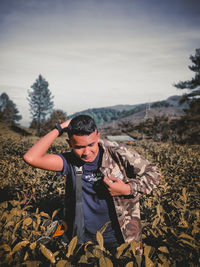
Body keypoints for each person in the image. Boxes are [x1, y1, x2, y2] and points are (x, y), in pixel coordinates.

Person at [23, 115, 161, 256]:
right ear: (69, 143)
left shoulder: (118, 152)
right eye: (79, 147)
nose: (87, 152)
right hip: (83, 240)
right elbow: (31, 158)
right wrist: (60, 127)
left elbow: (154, 173)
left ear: (98, 137)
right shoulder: (69, 161)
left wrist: (128, 188)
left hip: (122, 237)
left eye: (91, 145)